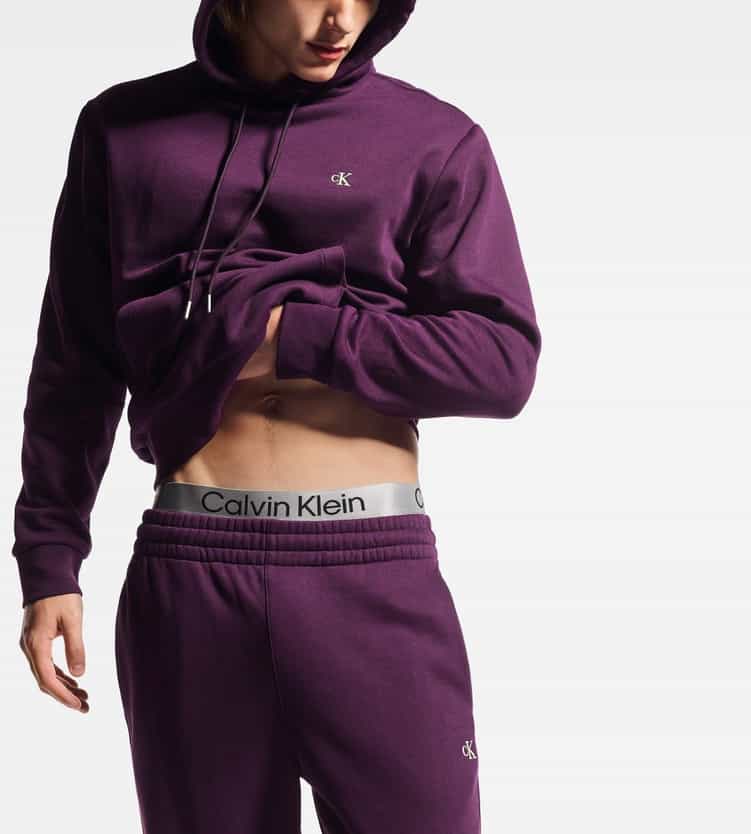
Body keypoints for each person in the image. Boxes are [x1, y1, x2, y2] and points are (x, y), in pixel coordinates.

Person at [12, 1, 542, 831]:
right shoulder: (124, 131)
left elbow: (502, 363)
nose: (342, 19)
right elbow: (74, 363)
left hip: (370, 572)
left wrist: (290, 334)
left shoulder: (433, 139)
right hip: (191, 571)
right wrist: (50, 560)